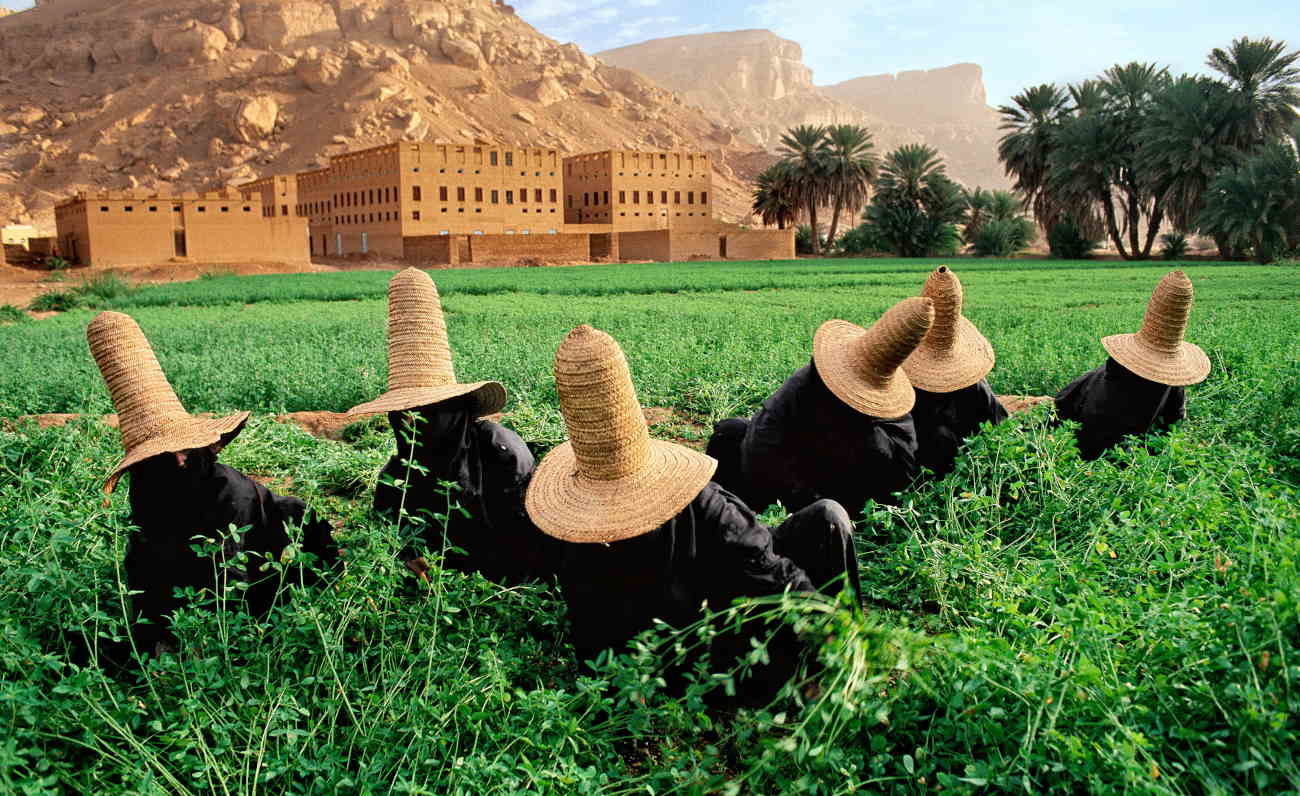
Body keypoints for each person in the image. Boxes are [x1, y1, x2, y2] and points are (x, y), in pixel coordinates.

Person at [526, 325, 861, 705]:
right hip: (688, 660)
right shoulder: (576, 538)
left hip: (718, 622)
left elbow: (769, 570)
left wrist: (826, 632)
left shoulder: (704, 504)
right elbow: (595, 642)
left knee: (826, 520)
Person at [87, 311, 337, 658]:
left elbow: (229, 575)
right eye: (164, 455)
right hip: (198, 568)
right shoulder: (146, 485)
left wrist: (212, 648)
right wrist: (150, 642)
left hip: (271, 563)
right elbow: (143, 566)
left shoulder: (227, 492)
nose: (178, 460)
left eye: (184, 451)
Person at [349, 268, 558, 584]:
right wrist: (409, 560)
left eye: (428, 411)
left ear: (457, 409)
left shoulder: (500, 452)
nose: (414, 423)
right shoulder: (397, 476)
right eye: (405, 413)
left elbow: (531, 543)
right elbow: (391, 537)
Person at [706, 297, 934, 519]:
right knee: (730, 432)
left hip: (844, 496)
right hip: (788, 478)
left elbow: (899, 482)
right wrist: (794, 502)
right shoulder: (809, 382)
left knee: (832, 509)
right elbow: (761, 444)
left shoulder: (887, 427)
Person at [1055, 269, 1210, 461]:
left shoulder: (1172, 384)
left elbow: (1173, 423)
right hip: (1084, 428)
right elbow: (1091, 439)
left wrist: (1161, 453)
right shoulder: (1111, 382)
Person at [900, 266, 1008, 478]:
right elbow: (1001, 426)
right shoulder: (974, 385)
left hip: (922, 474)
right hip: (955, 471)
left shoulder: (973, 386)